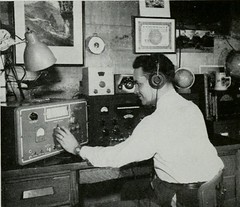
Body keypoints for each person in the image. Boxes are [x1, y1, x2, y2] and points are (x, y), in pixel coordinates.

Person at [53, 54, 224, 207]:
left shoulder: (156, 121)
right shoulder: (191, 107)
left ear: (157, 81)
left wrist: (77, 148)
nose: (136, 90)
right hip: (210, 190)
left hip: (182, 198)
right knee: (130, 187)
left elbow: (116, 157)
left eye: (139, 84)